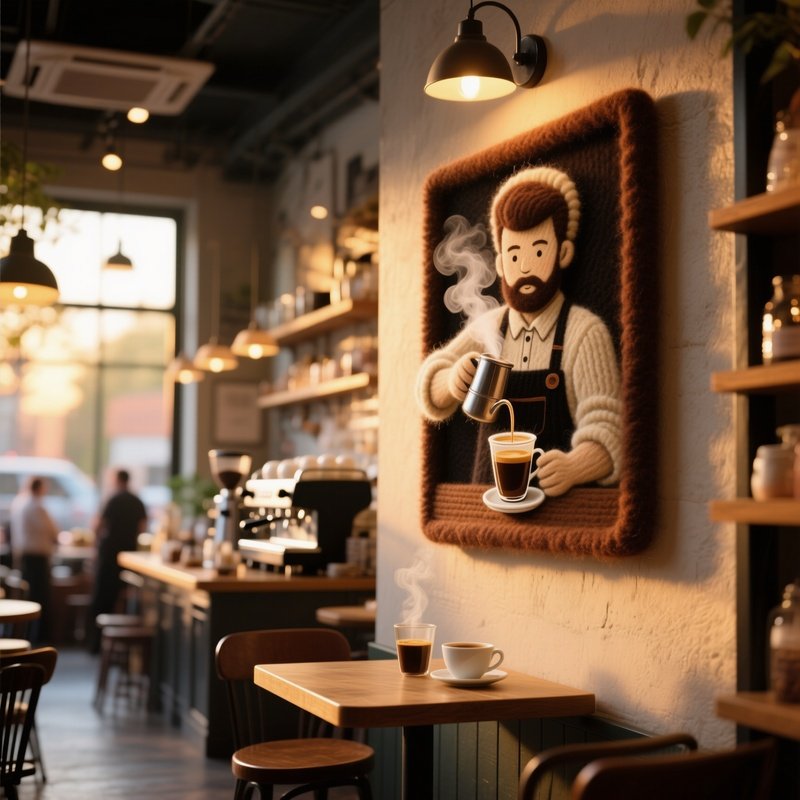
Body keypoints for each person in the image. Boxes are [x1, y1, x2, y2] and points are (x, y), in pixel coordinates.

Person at [416, 166, 622, 496]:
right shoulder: (490, 325)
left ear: (563, 253)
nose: (524, 266)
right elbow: (428, 386)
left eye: (538, 251)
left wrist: (574, 467)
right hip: (487, 516)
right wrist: (453, 379)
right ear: (499, 264)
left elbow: (610, 429)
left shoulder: (583, 332)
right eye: (514, 254)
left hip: (556, 519)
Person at [88, 469, 147, 651]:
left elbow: (98, 526)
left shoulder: (112, 499)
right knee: (125, 599)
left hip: (109, 555)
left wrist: (96, 547)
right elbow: (143, 528)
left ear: (116, 481)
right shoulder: (137, 501)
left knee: (102, 599)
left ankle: (96, 644)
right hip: (128, 556)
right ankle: (122, 646)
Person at [9, 476, 60, 642]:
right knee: (40, 598)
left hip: (23, 556)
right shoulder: (37, 506)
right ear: (40, 488)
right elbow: (53, 532)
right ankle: (39, 636)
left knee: (27, 596)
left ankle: (24, 634)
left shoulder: (19, 503)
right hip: (37, 559)